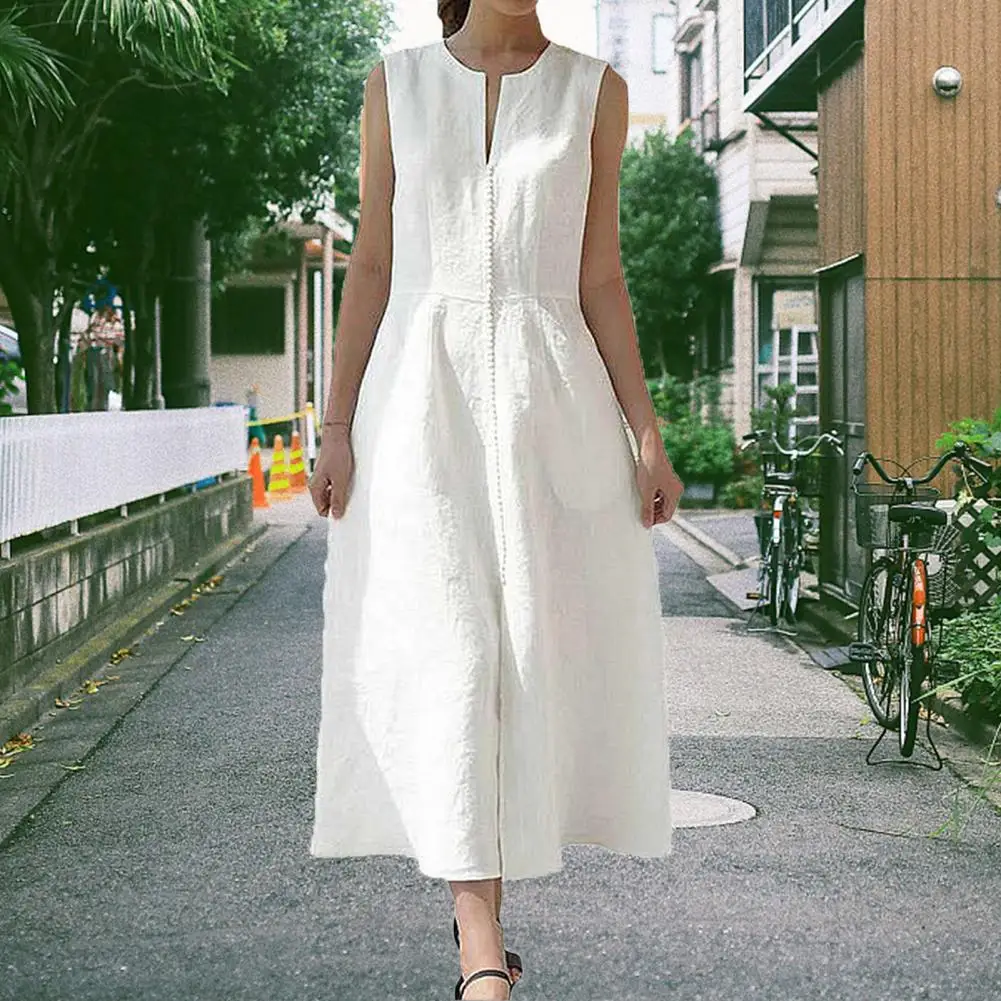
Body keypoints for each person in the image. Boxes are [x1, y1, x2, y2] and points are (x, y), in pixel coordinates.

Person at [307, 2, 684, 998]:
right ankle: (479, 941)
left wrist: (645, 434)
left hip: (549, 401)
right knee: (452, 654)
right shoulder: (394, 83)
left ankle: (488, 928)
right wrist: (336, 422)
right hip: (418, 400)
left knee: (525, 657)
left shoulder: (595, 91)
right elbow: (373, 262)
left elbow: (598, 275)